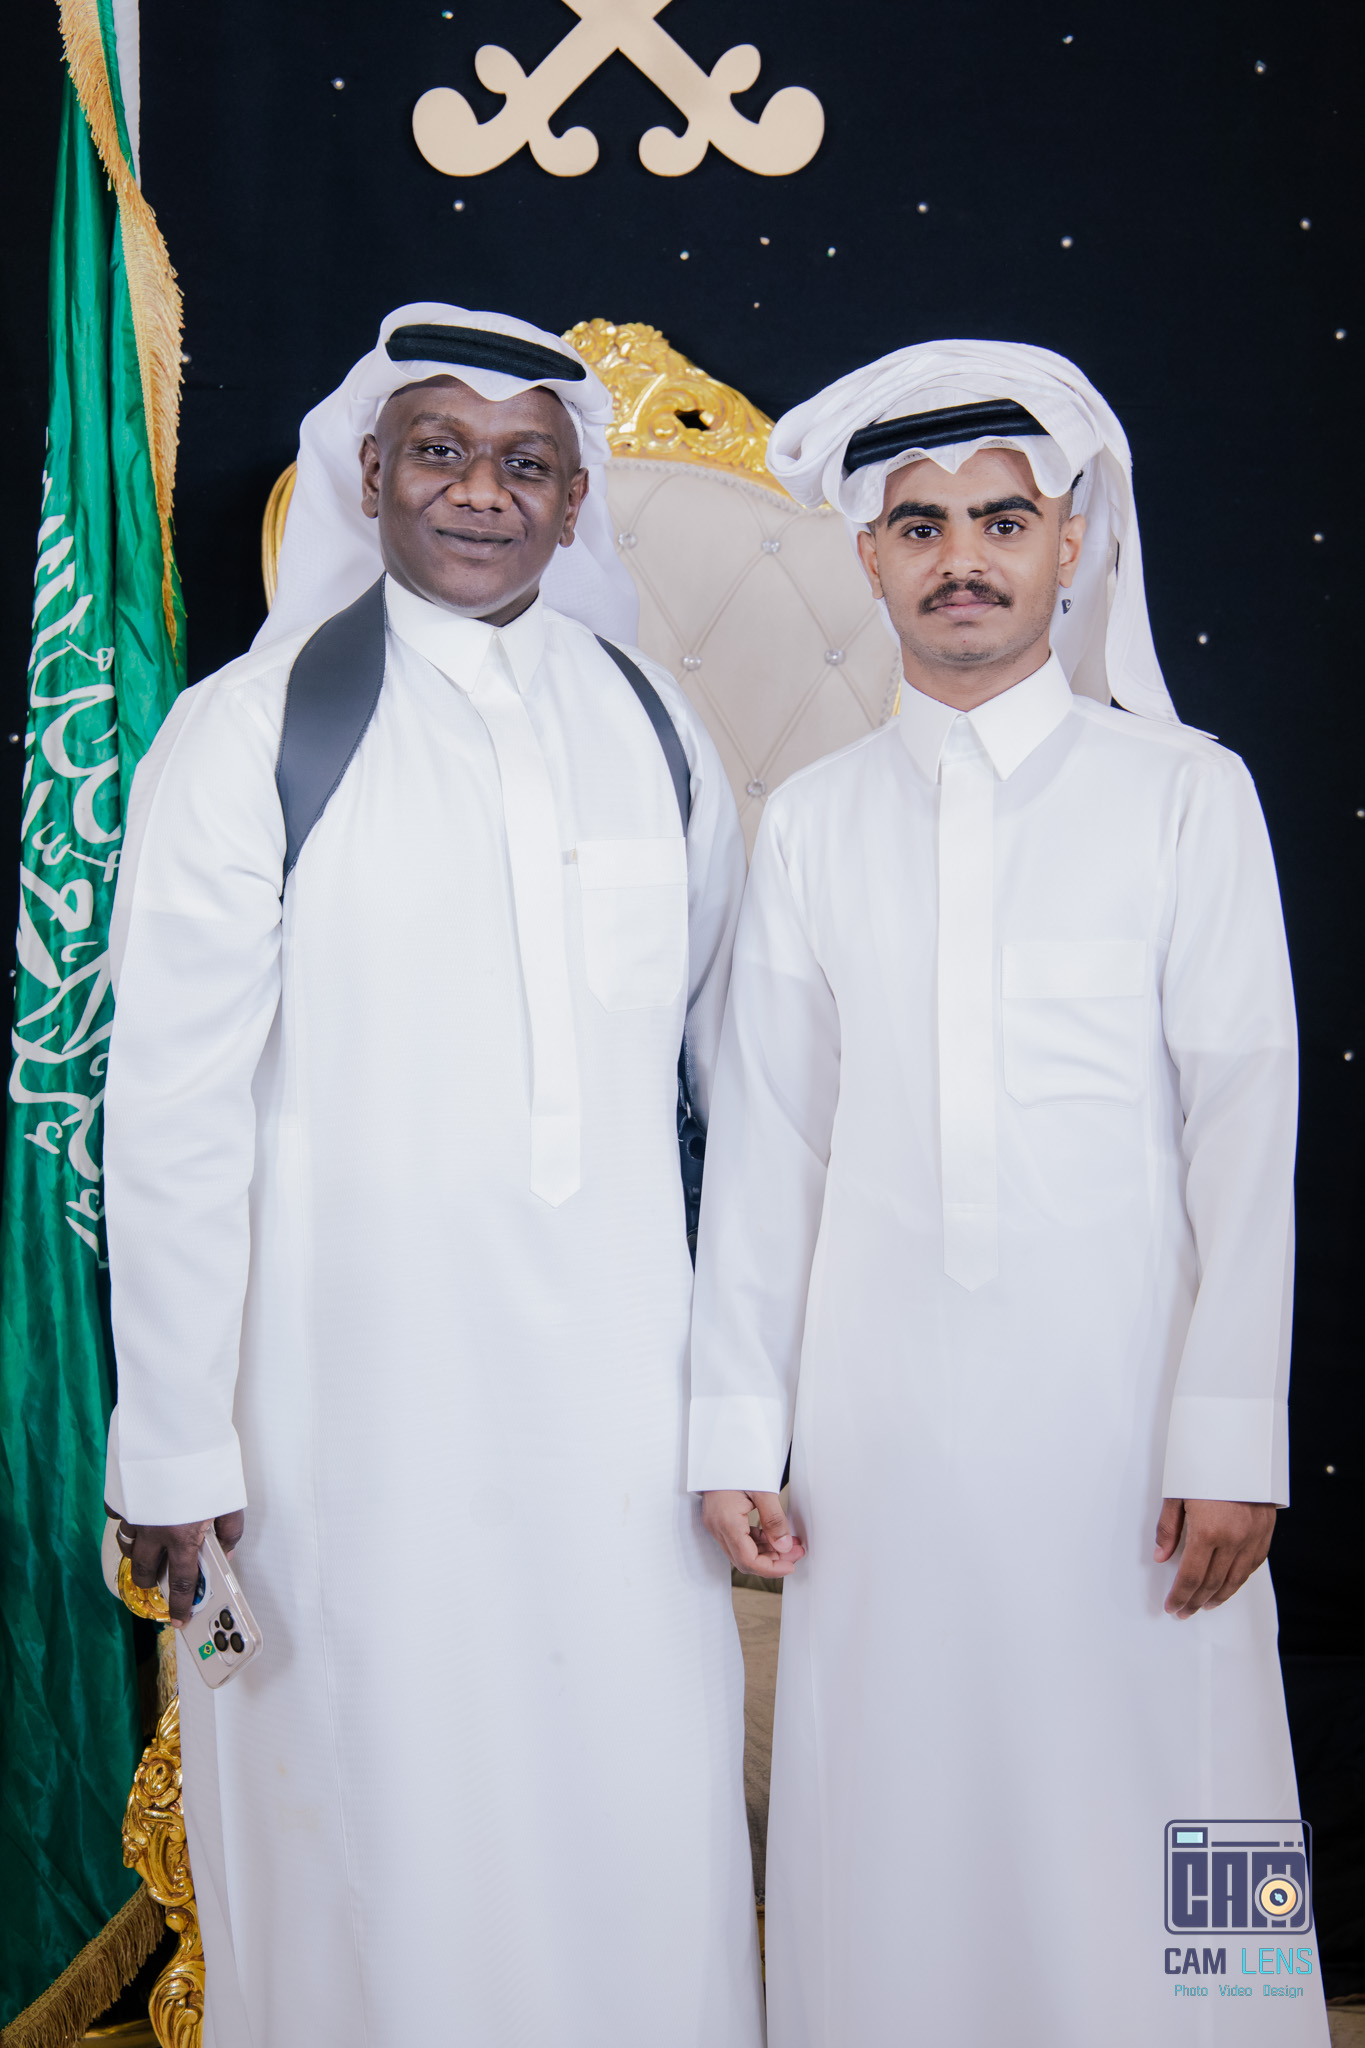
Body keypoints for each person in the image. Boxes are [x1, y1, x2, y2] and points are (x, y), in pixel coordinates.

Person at [101, 304, 762, 2048]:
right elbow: (166, 1109)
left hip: (619, 1417)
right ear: (370, 475)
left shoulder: (656, 728)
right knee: (367, 1819)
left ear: (573, 499)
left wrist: (744, 1407)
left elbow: (741, 1081)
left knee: (627, 1800)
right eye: (442, 452)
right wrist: (175, 1438)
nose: (482, 492)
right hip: (337, 1417)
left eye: (525, 463)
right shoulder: (249, 733)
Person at [688, 341, 1328, 2045]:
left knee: (1190, 1778)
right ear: (867, 556)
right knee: (895, 1804)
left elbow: (1243, 1131)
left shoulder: (1184, 794)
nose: (959, 558)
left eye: (999, 520)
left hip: (1133, 1429)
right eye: (918, 525)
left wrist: (1229, 1437)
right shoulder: (812, 824)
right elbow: (769, 1147)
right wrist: (737, 1428)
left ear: (1068, 545)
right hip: (882, 1439)